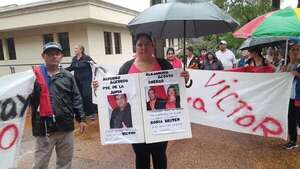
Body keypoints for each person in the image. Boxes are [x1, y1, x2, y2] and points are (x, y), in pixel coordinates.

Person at [93, 33, 189, 169]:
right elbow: (117, 90)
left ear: (153, 46)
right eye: (140, 44)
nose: (143, 47)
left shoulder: (164, 64)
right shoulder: (126, 67)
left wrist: (184, 79)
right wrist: (100, 87)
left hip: (159, 120)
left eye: (147, 44)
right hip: (137, 122)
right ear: (135, 47)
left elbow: (175, 84)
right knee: (141, 156)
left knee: (160, 154)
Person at [30, 42, 87, 169]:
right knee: (40, 164)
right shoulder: (34, 77)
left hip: (65, 126)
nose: (53, 56)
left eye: (57, 54)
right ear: (43, 56)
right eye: (50, 54)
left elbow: (76, 98)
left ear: (61, 56)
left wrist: (81, 118)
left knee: (65, 164)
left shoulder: (67, 76)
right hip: (44, 128)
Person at [66, 45, 97, 120]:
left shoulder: (87, 58)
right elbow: (71, 68)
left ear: (81, 50)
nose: (75, 50)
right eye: (75, 48)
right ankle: (86, 113)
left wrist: (95, 78)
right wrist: (61, 70)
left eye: (76, 48)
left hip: (87, 80)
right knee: (80, 97)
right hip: (77, 81)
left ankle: (93, 113)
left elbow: (95, 66)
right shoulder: (74, 59)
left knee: (87, 96)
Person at [282, 42, 300, 149]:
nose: (295, 52)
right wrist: (284, 72)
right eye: (292, 50)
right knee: (291, 119)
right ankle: (292, 141)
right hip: (290, 96)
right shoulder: (288, 64)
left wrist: (298, 74)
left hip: (298, 97)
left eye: (297, 49)